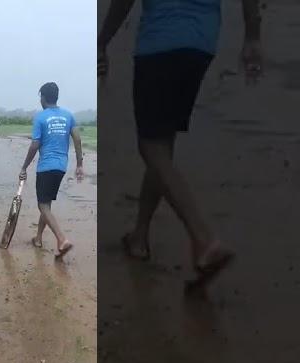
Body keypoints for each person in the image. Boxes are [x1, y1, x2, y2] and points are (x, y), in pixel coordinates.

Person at [98, 0, 263, 287]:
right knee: (163, 141)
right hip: (201, 45)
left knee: (150, 146)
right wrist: (252, 36)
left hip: (159, 43)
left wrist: (102, 42)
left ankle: (204, 238)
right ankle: (139, 236)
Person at [19, 82, 84, 258]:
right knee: (46, 203)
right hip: (61, 167)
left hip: (46, 166)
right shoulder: (68, 116)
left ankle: (62, 239)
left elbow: (35, 145)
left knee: (42, 205)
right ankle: (38, 238)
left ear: (43, 98)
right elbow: (77, 139)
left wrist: (24, 166)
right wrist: (79, 164)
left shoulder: (40, 118)